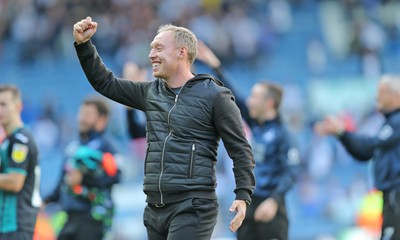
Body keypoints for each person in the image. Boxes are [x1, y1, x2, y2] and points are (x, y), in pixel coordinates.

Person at [72, 16, 256, 239]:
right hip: (154, 208)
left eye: (158, 48)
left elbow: (240, 148)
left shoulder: (215, 95)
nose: (151, 55)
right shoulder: (150, 92)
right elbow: (105, 83)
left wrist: (243, 194)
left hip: (193, 207)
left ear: (182, 52)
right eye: (151, 49)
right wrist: (84, 46)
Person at [197, 41, 300, 240]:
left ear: (269, 103)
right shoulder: (256, 125)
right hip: (247, 206)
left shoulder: (284, 135)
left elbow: (290, 172)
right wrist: (216, 66)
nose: (249, 101)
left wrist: (274, 200)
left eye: (254, 97)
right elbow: (234, 97)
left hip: (270, 208)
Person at [315, 74, 400, 240]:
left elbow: (370, 146)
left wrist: (342, 132)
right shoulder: (390, 122)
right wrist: (343, 135)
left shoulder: (398, 121)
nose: (377, 97)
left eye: (381, 92)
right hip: (391, 196)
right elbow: (365, 153)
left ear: (396, 95)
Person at [43, 97, 121, 240]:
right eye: (81, 113)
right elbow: (63, 181)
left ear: (101, 119)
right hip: (69, 217)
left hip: (93, 217)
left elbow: (116, 177)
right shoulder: (72, 147)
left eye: (87, 115)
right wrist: (46, 200)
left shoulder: (108, 146)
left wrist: (84, 179)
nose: (81, 118)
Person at [0, 84, 41, 239]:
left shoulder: (21, 140)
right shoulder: (7, 141)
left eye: (3, 104)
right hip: (7, 226)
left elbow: (14, 182)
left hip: (17, 225)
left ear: (18, 107)